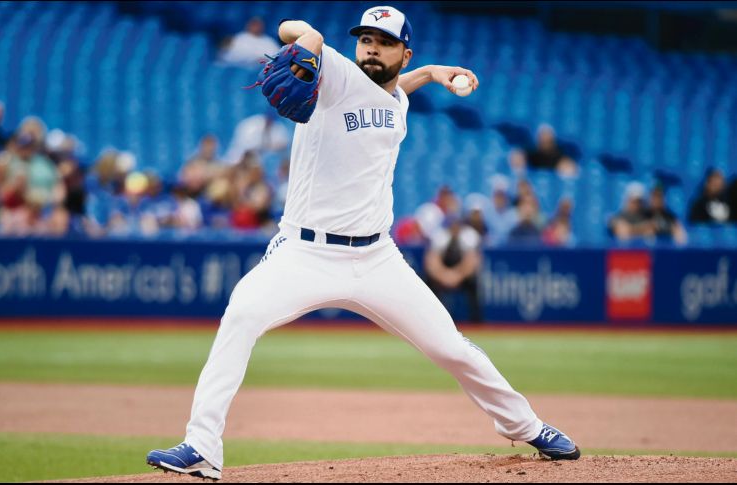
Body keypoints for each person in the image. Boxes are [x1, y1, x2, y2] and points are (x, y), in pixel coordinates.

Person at [146, 7, 580, 480]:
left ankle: (529, 426)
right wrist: (309, 37)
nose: (371, 46)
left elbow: (394, 91)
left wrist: (432, 73)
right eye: (365, 38)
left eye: (384, 41)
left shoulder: (397, 100)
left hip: (377, 259)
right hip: (305, 252)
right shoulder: (334, 71)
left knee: (451, 347)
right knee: (242, 315)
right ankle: (202, 446)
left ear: (403, 52)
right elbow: (286, 29)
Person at [424, 215, 482, 322]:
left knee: (473, 283)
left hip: (462, 275)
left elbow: (471, 262)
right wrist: (444, 276)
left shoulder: (469, 236)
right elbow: (432, 262)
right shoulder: (440, 236)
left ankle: (476, 322)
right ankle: (430, 319)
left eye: (456, 226)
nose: (454, 228)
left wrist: (457, 276)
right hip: (443, 273)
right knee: (428, 283)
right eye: (452, 226)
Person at [216, 17, 281, 67]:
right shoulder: (238, 38)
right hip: (239, 69)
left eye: (258, 25)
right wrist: (253, 60)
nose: (256, 27)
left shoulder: (269, 42)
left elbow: (277, 58)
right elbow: (228, 56)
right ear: (248, 25)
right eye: (254, 25)